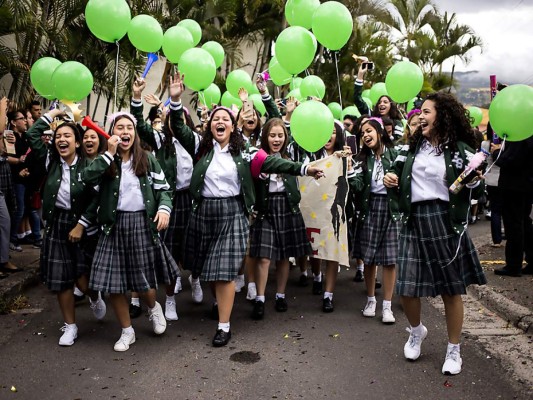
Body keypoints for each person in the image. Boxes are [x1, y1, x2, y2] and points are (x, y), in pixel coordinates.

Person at [171, 73, 323, 346]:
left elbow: (275, 163)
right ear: (210, 126)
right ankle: (220, 304)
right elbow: (178, 128)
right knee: (208, 269)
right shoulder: (200, 147)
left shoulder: (246, 152)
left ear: (233, 126)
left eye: (225, 119)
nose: (220, 122)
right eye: (216, 119)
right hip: (204, 212)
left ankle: (224, 326)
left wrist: (305, 169)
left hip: (233, 213)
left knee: (225, 270)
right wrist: (174, 99)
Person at [384, 92, 487, 375]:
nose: (421, 116)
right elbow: (392, 173)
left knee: (450, 289)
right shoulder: (410, 147)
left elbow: (479, 191)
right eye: (421, 112)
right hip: (413, 219)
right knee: (406, 286)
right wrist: (388, 178)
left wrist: (475, 182)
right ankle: (417, 331)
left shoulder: (461, 149)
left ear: (442, 115)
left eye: (427, 112)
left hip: (445, 221)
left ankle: (454, 350)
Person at [81, 110, 179, 352]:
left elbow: (164, 190)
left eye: (129, 128)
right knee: (114, 285)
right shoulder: (105, 160)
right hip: (113, 226)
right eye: (119, 127)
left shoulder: (147, 158)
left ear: (134, 134)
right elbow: (85, 177)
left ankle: (153, 308)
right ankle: (127, 331)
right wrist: (108, 155)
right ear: (111, 133)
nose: (124, 132)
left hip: (142, 225)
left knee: (144, 283)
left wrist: (164, 209)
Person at [24, 109, 107, 346]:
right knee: (61, 280)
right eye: (58, 135)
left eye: (68, 136)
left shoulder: (88, 166)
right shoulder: (51, 160)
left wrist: (81, 225)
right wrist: (55, 113)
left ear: (78, 142)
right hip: (56, 224)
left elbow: (95, 200)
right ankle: (70, 326)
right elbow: (32, 135)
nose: (62, 139)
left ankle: (93, 295)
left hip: (81, 224)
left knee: (82, 280)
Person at [130, 78, 202, 321]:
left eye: (178, 117)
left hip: (192, 201)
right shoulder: (161, 140)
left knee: (195, 246)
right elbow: (140, 125)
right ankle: (170, 299)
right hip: (170, 201)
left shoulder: (195, 141)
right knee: (170, 249)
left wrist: (175, 100)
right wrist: (137, 98)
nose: (174, 122)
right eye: (171, 117)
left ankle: (195, 277)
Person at [249, 118, 313, 319]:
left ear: (286, 138)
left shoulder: (291, 155)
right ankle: (260, 298)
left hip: (287, 207)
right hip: (265, 209)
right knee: (265, 257)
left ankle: (280, 295)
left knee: (285, 255)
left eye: (280, 135)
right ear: (265, 136)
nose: (276, 139)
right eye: (272, 135)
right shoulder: (258, 157)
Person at [350, 117, 399, 324]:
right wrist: (351, 171)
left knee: (389, 259)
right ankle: (371, 300)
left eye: (369, 130)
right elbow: (358, 187)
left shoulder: (396, 154)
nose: (366, 135)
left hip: (391, 209)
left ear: (379, 132)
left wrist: (395, 181)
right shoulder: (361, 159)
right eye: (362, 133)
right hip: (369, 209)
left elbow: (405, 180)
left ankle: (387, 306)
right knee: (368, 258)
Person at [307, 121, 348, 313]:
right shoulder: (311, 156)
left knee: (332, 251)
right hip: (315, 210)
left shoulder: (345, 158)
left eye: (332, 132)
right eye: (324, 132)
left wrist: (346, 161)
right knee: (315, 248)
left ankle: (328, 295)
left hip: (335, 211)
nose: (328, 136)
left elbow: (353, 183)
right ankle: (316, 276)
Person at [493, 134, 533, 276]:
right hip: (526, 183)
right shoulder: (528, 131)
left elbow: (511, 159)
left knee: (514, 225)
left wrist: (496, 152)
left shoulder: (520, 135)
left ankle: (513, 265)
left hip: (514, 185)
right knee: (525, 223)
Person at [353, 63, 404, 140]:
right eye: (379, 102)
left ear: (391, 105)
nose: (381, 104)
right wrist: (360, 75)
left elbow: (398, 142)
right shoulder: (372, 116)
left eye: (385, 102)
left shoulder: (397, 123)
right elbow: (357, 99)